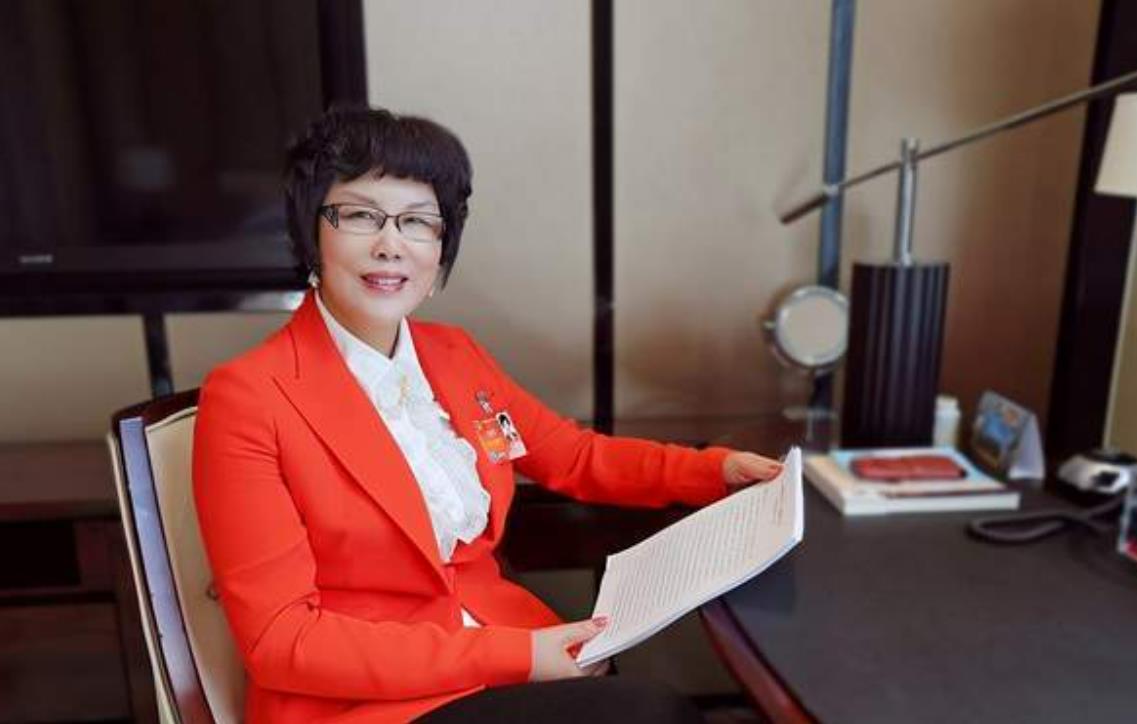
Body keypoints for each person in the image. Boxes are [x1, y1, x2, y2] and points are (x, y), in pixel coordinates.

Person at [192, 106, 784, 723]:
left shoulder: (454, 356)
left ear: (441, 247)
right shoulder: (247, 398)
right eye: (361, 216)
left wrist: (715, 472)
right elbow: (282, 641)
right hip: (367, 706)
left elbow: (575, 456)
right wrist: (518, 656)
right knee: (651, 714)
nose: (391, 244)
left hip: (499, 661)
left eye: (418, 221)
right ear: (312, 232)